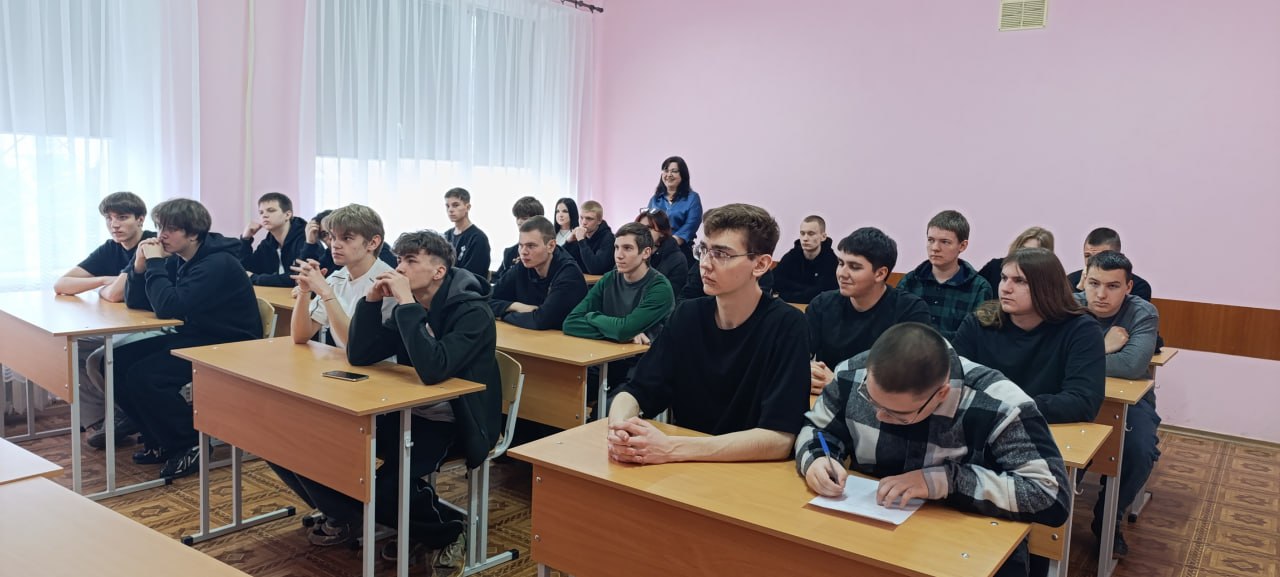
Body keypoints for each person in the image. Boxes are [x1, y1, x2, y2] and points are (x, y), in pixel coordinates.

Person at [295, 230, 501, 575]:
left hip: (456, 421)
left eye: (411, 261)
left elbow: (433, 369)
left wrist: (406, 305)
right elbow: (360, 355)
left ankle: (448, 531)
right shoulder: (411, 304)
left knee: (385, 489)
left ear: (438, 271)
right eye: (400, 260)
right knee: (311, 451)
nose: (400, 268)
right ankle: (374, 517)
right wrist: (371, 302)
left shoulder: (472, 312)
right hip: (407, 411)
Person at [797, 323, 1070, 577]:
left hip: (967, 552)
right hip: (870, 536)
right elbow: (818, 429)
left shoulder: (1001, 404)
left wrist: (944, 481)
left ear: (941, 394)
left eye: (896, 414)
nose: (879, 415)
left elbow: (1050, 495)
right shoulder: (851, 373)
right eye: (870, 399)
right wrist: (816, 459)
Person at [606, 204, 809, 464]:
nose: (704, 263)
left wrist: (673, 448)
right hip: (684, 465)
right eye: (703, 250)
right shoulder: (687, 315)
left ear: (760, 264)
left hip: (749, 471)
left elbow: (779, 439)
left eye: (721, 254)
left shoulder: (787, 325)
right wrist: (620, 429)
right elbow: (637, 390)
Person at [117, 199, 261, 479]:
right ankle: (158, 439)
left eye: (170, 229)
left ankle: (189, 444)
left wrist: (156, 263)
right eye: (159, 227)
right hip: (199, 335)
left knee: (146, 377)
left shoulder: (217, 263)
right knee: (117, 361)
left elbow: (168, 307)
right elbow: (137, 302)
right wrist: (139, 267)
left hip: (229, 344)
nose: (161, 236)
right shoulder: (181, 258)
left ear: (193, 234)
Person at [55, 192, 161, 449]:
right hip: (123, 324)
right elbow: (62, 284)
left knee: (97, 356)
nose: (114, 225)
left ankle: (126, 412)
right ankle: (102, 420)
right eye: (109, 218)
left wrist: (107, 287)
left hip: (155, 327)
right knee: (72, 348)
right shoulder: (110, 248)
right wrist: (103, 279)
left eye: (122, 218)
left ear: (140, 219)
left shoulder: (150, 245)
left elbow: (114, 295)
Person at [951, 248, 1105, 424]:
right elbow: (954, 384)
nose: (1006, 288)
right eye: (1003, 278)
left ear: (1046, 287)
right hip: (983, 427)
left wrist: (1008, 408)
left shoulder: (1081, 329)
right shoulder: (979, 322)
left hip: (1046, 430)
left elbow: (1083, 401)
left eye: (1019, 281)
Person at [1075, 250, 1161, 558]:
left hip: (1130, 401)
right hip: (1076, 393)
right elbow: (1052, 356)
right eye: (1094, 283)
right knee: (1064, 448)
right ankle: (1055, 517)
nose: (1101, 294)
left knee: (1140, 450)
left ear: (1128, 287)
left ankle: (1108, 519)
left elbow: (1131, 365)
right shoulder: (1069, 305)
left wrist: (1082, 356)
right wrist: (1104, 346)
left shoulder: (1142, 312)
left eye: (1112, 286)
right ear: (1084, 280)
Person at [806, 227, 930, 394]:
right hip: (825, 399)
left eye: (854, 267)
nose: (842, 273)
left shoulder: (911, 311)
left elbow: (909, 377)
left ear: (880, 273)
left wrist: (839, 382)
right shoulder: (822, 305)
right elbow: (797, 355)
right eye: (841, 263)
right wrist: (808, 371)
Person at [287, 204, 398, 347]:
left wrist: (326, 292)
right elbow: (300, 336)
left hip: (374, 361)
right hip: (341, 359)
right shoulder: (337, 277)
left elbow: (357, 346)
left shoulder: (386, 284)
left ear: (373, 242)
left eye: (346, 238)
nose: (335, 245)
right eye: (333, 237)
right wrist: (304, 291)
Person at [897, 210, 993, 339]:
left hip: (957, 351)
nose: (935, 248)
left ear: (962, 246)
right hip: (910, 349)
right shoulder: (910, 281)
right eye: (931, 240)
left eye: (945, 242)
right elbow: (896, 328)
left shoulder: (979, 288)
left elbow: (976, 336)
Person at [489, 216, 588, 330]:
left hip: (564, 339)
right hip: (530, 337)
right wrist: (514, 306)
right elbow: (485, 300)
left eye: (531, 246)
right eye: (521, 245)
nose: (523, 252)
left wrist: (502, 314)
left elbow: (540, 321)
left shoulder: (569, 274)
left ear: (551, 246)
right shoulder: (523, 266)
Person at [298, 209, 398, 277]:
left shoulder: (380, 252)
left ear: (372, 243)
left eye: (346, 237)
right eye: (326, 235)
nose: (334, 243)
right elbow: (307, 279)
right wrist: (310, 243)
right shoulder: (330, 254)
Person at [239, 192, 310, 287]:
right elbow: (244, 270)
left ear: (287, 215)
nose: (264, 215)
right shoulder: (268, 243)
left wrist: (256, 278)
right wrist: (245, 240)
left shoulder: (306, 239)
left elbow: (299, 277)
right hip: (278, 294)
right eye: (261, 212)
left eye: (271, 210)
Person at [1066, 228, 1153, 302]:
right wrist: (1080, 288)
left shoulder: (1140, 286)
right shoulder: (1070, 280)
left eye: (1100, 256)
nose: (1091, 261)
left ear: (1116, 256)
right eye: (1087, 256)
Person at [647, 156, 703, 263]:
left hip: (680, 250)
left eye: (674, 171)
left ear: (683, 175)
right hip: (655, 249)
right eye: (666, 170)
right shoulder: (655, 199)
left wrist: (672, 242)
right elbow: (647, 223)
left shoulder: (692, 198)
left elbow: (691, 224)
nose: (669, 174)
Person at [772, 215, 838, 305]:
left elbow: (825, 293)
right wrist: (808, 291)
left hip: (819, 309)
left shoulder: (831, 261)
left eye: (811, 234)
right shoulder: (792, 255)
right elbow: (775, 281)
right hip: (790, 306)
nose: (805, 238)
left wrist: (789, 291)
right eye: (802, 233)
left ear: (823, 237)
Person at [977, 227, 1053, 293]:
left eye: (1031, 253)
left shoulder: (1046, 281)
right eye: (1004, 278)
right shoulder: (995, 267)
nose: (1024, 255)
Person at [635, 208, 688, 296]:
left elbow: (670, 295)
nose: (642, 233)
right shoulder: (631, 252)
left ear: (662, 232)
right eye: (639, 228)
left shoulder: (677, 259)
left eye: (649, 228)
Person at [442, 187, 491, 279]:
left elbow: (473, 275)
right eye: (447, 206)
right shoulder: (445, 236)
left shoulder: (478, 238)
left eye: (455, 205)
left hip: (467, 286)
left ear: (467, 207)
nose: (450, 210)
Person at [494, 196, 544, 281]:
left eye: (524, 218)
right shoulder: (510, 252)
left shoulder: (546, 251)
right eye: (517, 217)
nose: (519, 222)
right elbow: (498, 279)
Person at [563, 200, 615, 275]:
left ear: (599, 221)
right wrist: (568, 242)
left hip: (599, 281)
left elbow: (595, 269)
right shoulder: (579, 235)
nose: (583, 222)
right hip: (581, 278)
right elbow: (559, 261)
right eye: (581, 217)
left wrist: (581, 241)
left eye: (589, 218)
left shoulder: (608, 238)